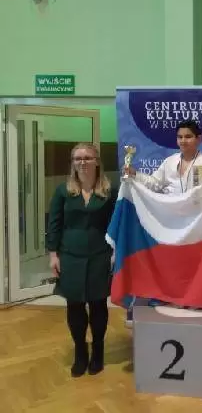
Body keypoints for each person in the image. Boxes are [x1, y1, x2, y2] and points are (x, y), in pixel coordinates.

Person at [122, 119, 202, 318]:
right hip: (171, 220)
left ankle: (196, 298)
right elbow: (155, 184)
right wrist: (135, 174)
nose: (183, 141)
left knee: (194, 261)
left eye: (188, 136)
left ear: (199, 139)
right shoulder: (170, 162)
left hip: (197, 222)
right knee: (173, 260)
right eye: (180, 137)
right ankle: (172, 296)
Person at [46, 142, 118, 377]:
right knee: (75, 306)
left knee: (98, 305)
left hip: (100, 254)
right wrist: (53, 254)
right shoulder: (63, 191)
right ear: (72, 163)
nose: (82, 162)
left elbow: (116, 224)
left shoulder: (110, 191)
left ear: (97, 161)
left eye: (87, 157)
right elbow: (54, 224)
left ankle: (98, 351)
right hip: (70, 255)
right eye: (78, 158)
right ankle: (80, 351)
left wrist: (115, 252)